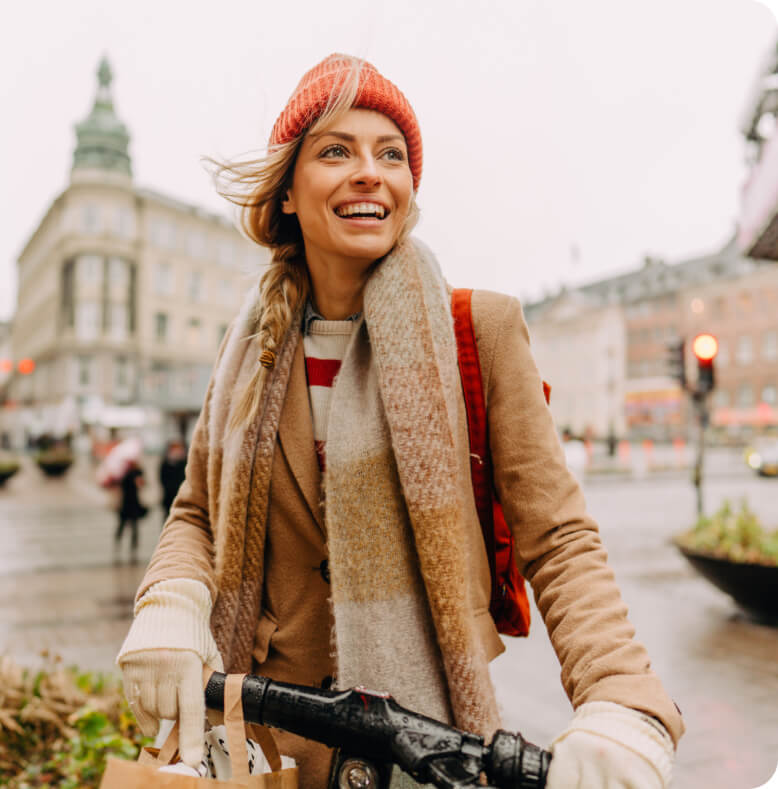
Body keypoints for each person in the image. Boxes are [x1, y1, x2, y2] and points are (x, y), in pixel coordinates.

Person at [117, 54, 684, 788]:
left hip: (427, 751)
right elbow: (197, 511)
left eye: (392, 155)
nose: (370, 172)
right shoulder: (247, 348)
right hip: (261, 749)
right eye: (335, 151)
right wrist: (171, 602)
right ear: (288, 190)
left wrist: (620, 698)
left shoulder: (479, 331)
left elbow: (559, 538)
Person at [114, 457, 147, 562]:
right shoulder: (123, 472)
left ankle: (134, 548)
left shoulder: (138, 472)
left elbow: (144, 485)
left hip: (134, 503)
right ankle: (117, 543)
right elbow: (118, 486)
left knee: (134, 527)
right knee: (122, 525)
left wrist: (140, 482)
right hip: (125, 503)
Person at [159, 438, 187, 522]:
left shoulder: (184, 462)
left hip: (181, 494)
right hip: (169, 496)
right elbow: (162, 478)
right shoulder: (166, 462)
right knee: (168, 517)